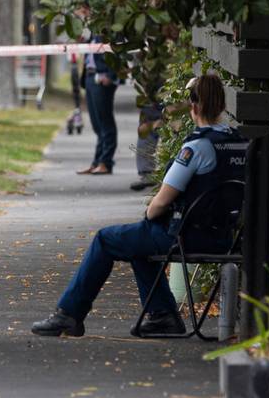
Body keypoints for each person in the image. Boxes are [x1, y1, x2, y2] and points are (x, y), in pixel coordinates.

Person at [31, 75, 248, 338]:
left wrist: (150, 214)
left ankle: (68, 314)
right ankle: (162, 316)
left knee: (106, 239)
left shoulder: (198, 147)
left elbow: (160, 204)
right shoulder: (241, 144)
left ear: (194, 105)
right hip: (224, 238)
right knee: (136, 244)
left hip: (188, 237)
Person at [77, 32, 119, 175]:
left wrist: (111, 76)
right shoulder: (90, 31)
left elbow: (117, 51)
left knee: (105, 121)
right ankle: (97, 162)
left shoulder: (108, 27)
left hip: (102, 78)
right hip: (89, 77)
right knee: (96, 124)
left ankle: (105, 162)